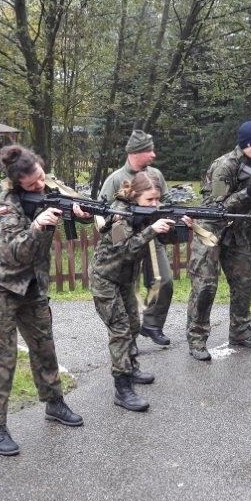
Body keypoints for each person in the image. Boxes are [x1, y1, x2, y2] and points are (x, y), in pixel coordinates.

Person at [0, 145, 87, 456]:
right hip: (1, 283)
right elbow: (17, 251)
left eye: (40, 177)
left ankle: (54, 402)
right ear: (17, 184)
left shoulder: (49, 185)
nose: (40, 185)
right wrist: (38, 225)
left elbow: (76, 206)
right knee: (1, 355)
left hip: (32, 282)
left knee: (43, 343)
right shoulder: (8, 203)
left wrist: (81, 212)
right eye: (31, 184)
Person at [90, 172, 192, 411]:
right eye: (149, 200)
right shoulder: (120, 215)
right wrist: (152, 229)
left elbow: (163, 239)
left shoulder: (146, 212)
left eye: (157, 199)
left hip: (125, 278)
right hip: (105, 278)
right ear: (134, 196)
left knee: (134, 325)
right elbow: (125, 251)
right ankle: (123, 388)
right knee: (120, 330)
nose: (155, 204)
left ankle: (131, 367)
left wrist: (180, 226)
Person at [186, 121, 251, 361]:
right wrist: (247, 193)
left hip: (236, 230)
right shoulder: (224, 166)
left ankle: (240, 330)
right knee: (205, 286)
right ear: (246, 144)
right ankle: (196, 338)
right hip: (210, 228)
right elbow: (216, 207)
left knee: (245, 280)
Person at [99, 130, 174, 346]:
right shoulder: (115, 179)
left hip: (153, 236)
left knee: (164, 281)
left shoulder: (155, 174)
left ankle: (151, 324)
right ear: (134, 152)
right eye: (148, 150)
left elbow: (167, 201)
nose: (153, 155)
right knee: (127, 291)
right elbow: (102, 211)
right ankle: (127, 339)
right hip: (126, 243)